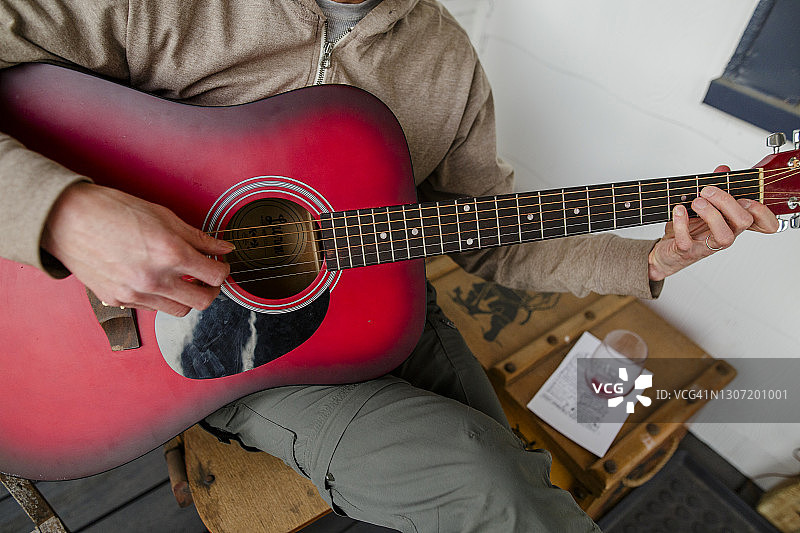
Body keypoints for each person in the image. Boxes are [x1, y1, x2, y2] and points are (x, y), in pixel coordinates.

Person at [0, 0, 779, 531]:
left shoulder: (441, 58)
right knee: (487, 482)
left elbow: (490, 235)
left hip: (380, 295)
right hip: (191, 349)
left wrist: (654, 256)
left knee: (510, 454)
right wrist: (61, 212)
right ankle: (207, 428)